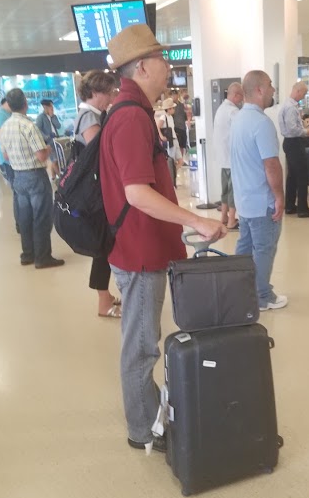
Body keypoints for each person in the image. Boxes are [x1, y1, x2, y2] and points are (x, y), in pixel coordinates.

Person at [100, 23, 226, 452]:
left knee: (141, 342)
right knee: (140, 348)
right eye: (160, 59)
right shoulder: (131, 116)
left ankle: (149, 414)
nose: (167, 66)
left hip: (142, 248)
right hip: (139, 253)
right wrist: (197, 220)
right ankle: (142, 430)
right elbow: (137, 193)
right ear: (140, 68)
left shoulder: (129, 110)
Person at [231, 70, 287, 312]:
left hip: (244, 200)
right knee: (264, 248)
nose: (274, 89)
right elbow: (271, 164)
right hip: (261, 201)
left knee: (244, 248)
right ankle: (262, 296)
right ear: (260, 90)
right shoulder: (262, 123)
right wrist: (279, 196)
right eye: (271, 85)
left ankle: (240, 291)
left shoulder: (239, 119)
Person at [0, 88, 64, 268]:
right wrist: (49, 149)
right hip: (35, 176)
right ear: (25, 104)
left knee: (25, 218)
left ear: (10, 106)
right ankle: (43, 258)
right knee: (42, 217)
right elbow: (42, 156)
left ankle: (27, 255)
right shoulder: (28, 126)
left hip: (18, 177)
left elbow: (5, 156)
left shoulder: (5, 127)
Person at [74, 70, 121, 318]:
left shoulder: (93, 115)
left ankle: (106, 295)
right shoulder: (89, 118)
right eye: (108, 92)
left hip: (97, 190)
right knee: (103, 244)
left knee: (104, 244)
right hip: (96, 193)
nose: (111, 97)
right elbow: (98, 155)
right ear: (93, 93)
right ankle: (103, 301)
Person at [278, 81, 309, 218]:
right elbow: (293, 129)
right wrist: (306, 132)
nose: (304, 96)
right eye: (304, 93)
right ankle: (303, 208)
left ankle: (290, 205)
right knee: (302, 176)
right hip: (294, 143)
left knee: (292, 176)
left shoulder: (286, 104)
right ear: (298, 91)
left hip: (289, 143)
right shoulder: (291, 107)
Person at [213, 82, 243, 230]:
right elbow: (240, 134)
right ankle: (232, 220)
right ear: (236, 95)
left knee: (225, 189)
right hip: (232, 159)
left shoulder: (220, 109)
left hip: (222, 158)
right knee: (233, 190)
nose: (242, 100)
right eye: (241, 96)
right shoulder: (233, 112)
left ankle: (223, 217)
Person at [0, 97, 20, 231]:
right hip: (8, 161)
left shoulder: (10, 114)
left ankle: (24, 221)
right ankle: (20, 224)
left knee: (20, 191)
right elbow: (1, 137)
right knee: (17, 192)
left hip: (15, 160)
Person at [156, 97, 182, 188]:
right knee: (171, 161)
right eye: (172, 108)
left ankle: (172, 176)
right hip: (170, 141)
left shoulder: (170, 117)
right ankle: (171, 180)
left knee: (180, 161)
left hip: (175, 140)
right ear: (169, 109)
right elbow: (157, 127)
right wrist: (161, 136)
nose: (174, 110)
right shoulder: (164, 117)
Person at [36, 99, 61, 180]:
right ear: (45, 107)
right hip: (49, 142)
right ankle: (61, 178)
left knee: (56, 159)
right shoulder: (40, 117)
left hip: (57, 140)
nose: (52, 108)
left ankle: (53, 176)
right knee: (54, 160)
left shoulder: (54, 116)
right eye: (50, 106)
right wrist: (47, 136)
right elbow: (38, 130)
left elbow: (58, 126)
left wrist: (52, 116)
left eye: (52, 106)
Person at [173, 93, 188, 160]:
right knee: (177, 146)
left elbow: (186, 115)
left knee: (182, 145)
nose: (174, 97)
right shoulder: (171, 106)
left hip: (182, 127)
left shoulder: (182, 105)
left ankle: (181, 160)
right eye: (172, 95)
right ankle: (177, 160)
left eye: (175, 95)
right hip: (176, 128)